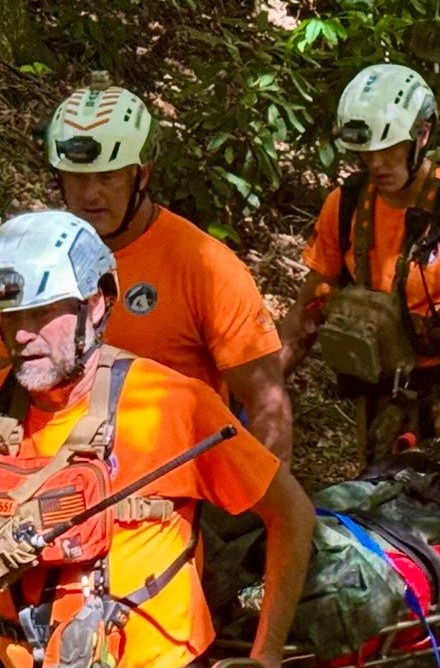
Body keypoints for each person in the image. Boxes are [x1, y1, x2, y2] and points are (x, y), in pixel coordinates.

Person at [0, 211, 314, 668]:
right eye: (10, 315)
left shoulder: (173, 403)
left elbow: (291, 514)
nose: (22, 334)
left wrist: (266, 654)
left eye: (43, 312)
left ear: (95, 304)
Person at [39, 76, 293, 463]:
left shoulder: (204, 267)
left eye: (107, 177)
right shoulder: (38, 259)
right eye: (76, 178)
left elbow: (266, 402)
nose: (90, 194)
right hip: (53, 481)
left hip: (171, 492)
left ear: (141, 174)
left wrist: (261, 512)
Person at [278, 63, 440, 457]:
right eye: (367, 152)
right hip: (378, 397)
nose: (376, 164)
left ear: (422, 135)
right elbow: (303, 317)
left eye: (389, 150)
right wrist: (260, 393)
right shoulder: (346, 205)